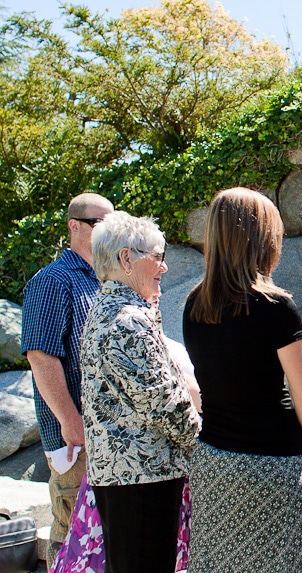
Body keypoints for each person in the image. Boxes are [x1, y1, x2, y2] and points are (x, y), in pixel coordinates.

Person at [183, 187, 302, 573]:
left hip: (214, 463)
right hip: (271, 468)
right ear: (263, 240)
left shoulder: (195, 302)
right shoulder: (276, 306)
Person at [80, 211, 201, 573]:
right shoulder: (128, 319)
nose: (164, 268)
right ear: (125, 258)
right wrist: (210, 446)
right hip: (143, 479)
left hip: (124, 479)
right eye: (158, 257)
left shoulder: (105, 310)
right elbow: (164, 403)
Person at [20, 193, 114, 550]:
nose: (109, 230)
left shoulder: (102, 278)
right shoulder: (53, 281)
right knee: (72, 537)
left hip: (106, 438)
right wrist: (69, 419)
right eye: (99, 223)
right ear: (74, 227)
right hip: (75, 440)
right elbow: (41, 357)